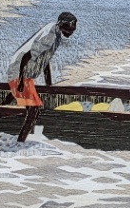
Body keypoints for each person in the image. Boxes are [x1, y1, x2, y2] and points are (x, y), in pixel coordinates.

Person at [7, 12, 78, 142]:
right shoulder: (50, 36)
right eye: (71, 27)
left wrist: (48, 84)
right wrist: (21, 81)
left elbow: (44, 60)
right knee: (34, 110)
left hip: (25, 74)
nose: (72, 31)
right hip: (20, 72)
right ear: (62, 24)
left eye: (74, 28)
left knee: (30, 108)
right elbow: (27, 56)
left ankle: (20, 137)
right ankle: (20, 143)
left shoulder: (56, 35)